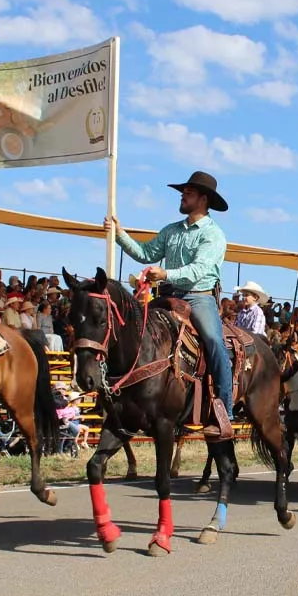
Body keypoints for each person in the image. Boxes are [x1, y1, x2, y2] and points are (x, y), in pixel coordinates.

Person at [105, 171, 234, 440]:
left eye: (188, 192)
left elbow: (199, 270)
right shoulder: (171, 230)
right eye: (183, 192)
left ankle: (224, 412)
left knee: (214, 342)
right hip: (167, 296)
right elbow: (146, 253)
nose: (182, 195)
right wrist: (119, 234)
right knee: (132, 330)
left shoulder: (213, 235)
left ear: (203, 198)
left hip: (199, 296)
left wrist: (166, 274)